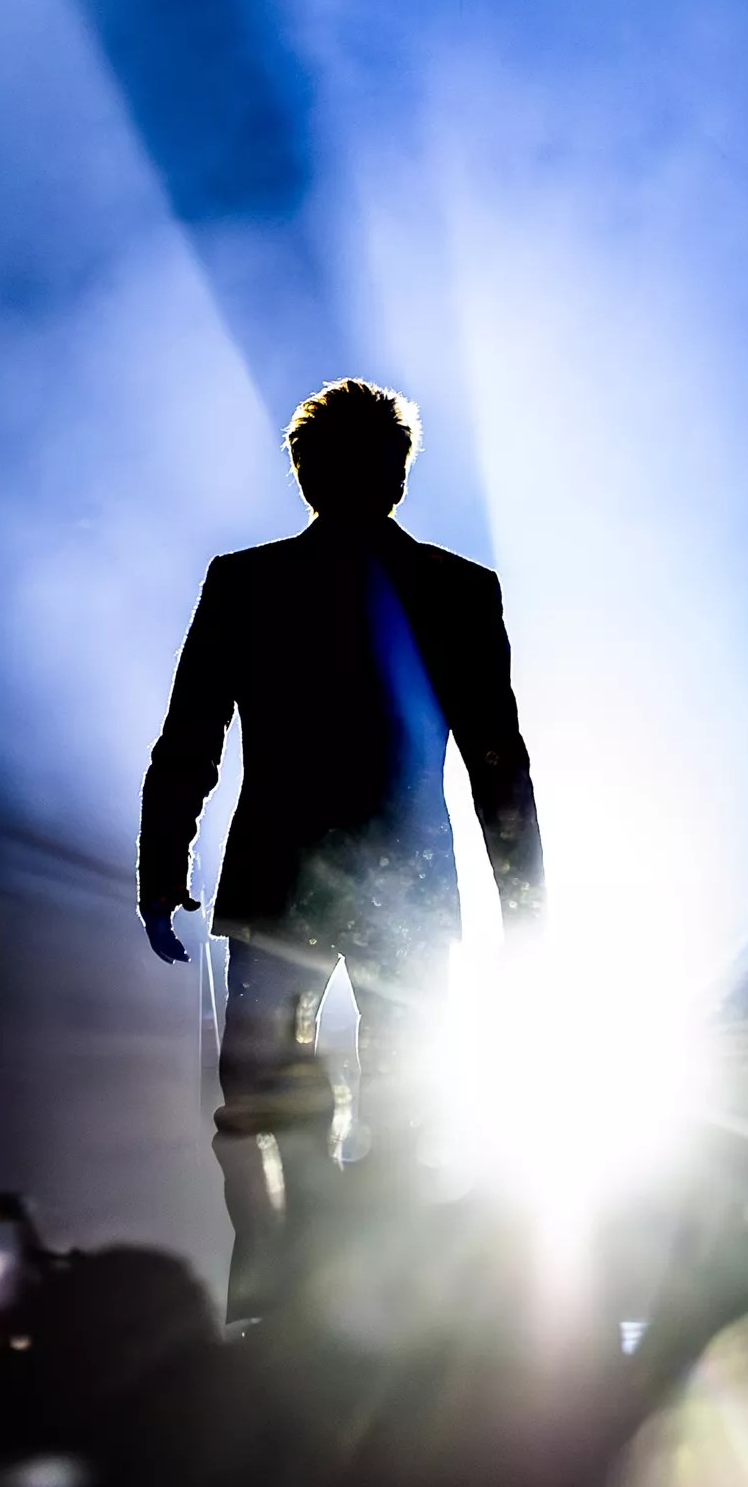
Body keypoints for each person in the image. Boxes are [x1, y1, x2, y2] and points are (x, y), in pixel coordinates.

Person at [137, 378, 543, 1320]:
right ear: (398, 473)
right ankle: (389, 1312)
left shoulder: (247, 584)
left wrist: (164, 869)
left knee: (265, 1111)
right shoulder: (457, 590)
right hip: (406, 889)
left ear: (305, 475)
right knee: (407, 1106)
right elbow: (498, 765)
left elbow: (189, 739)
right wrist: (525, 904)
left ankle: (276, 1298)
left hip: (278, 886)